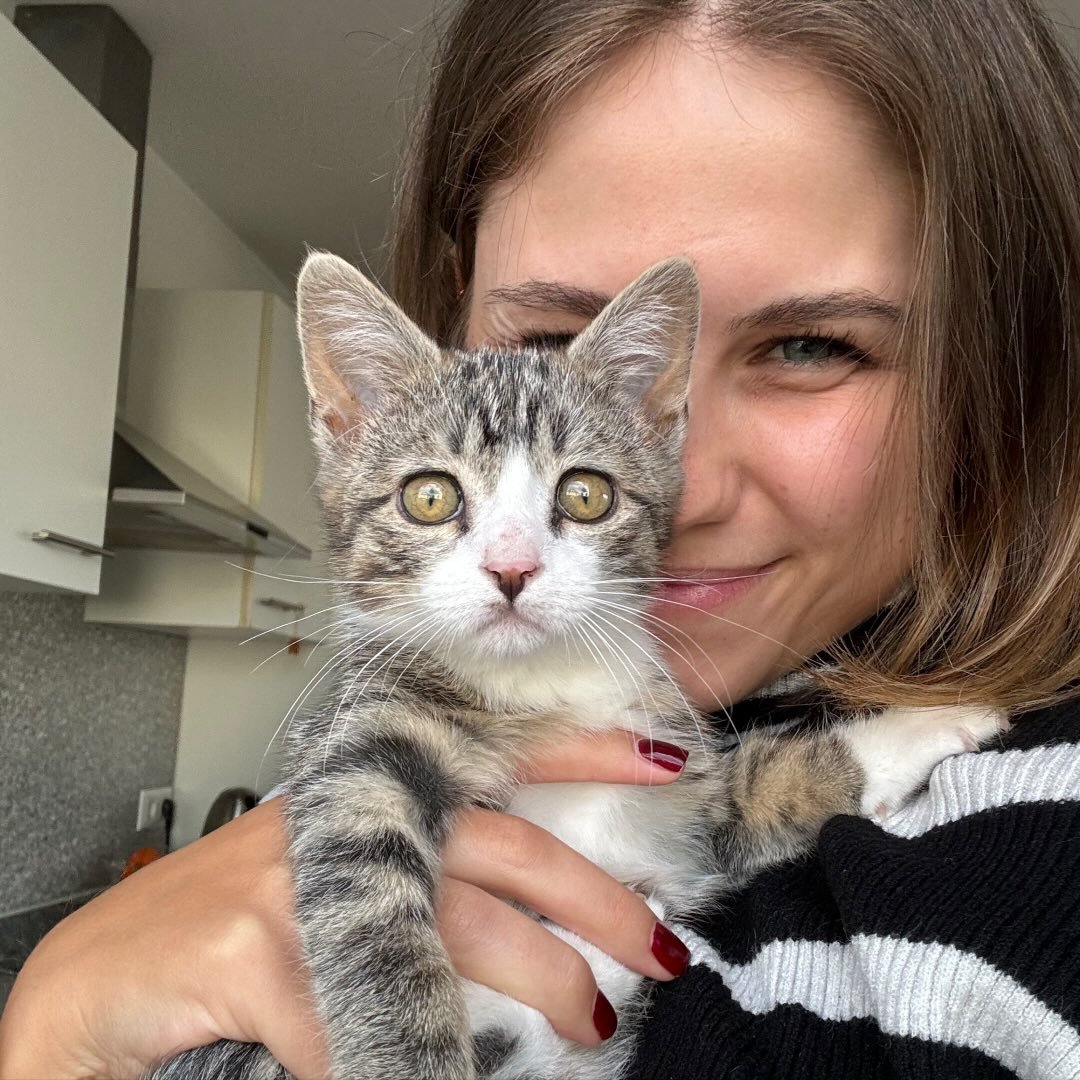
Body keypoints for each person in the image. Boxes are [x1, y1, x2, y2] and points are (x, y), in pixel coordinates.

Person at [4, 0, 1080, 1076]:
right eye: (554, 337)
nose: (689, 488)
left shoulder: (1025, 847)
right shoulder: (426, 716)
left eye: (812, 344)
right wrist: (57, 1017)